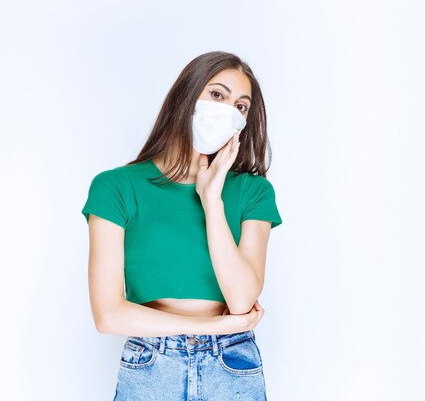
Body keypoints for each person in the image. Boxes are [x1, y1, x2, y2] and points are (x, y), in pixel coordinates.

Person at [81, 51, 283, 400]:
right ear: (186, 97)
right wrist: (211, 327)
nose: (228, 111)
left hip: (232, 364)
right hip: (151, 364)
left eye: (241, 106)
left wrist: (212, 200)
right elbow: (108, 315)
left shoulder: (253, 192)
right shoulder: (116, 187)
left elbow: (241, 300)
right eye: (217, 95)